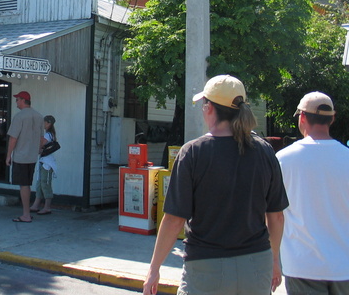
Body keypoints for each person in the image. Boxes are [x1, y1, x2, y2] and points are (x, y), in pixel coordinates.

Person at [143, 75, 288, 295]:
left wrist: (154, 269)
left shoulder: (192, 153)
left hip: (206, 268)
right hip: (256, 266)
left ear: (209, 108)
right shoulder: (265, 151)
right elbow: (276, 216)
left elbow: (173, 220)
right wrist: (274, 259)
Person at [276, 92, 349, 295]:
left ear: (302, 117)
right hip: (344, 265)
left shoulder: (283, 159)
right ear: (332, 119)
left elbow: (274, 213)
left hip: (302, 265)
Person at [6, 91, 43, 223]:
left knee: (23, 185)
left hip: (21, 156)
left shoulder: (19, 117)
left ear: (22, 100)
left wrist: (8, 156)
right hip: (32, 156)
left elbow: (13, 138)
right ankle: (27, 212)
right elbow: (41, 139)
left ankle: (26, 214)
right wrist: (38, 150)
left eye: (17, 100)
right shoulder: (39, 116)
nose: (16, 102)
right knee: (27, 184)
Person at [29, 115, 57, 215]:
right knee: (40, 183)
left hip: (47, 163)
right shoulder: (50, 135)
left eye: (44, 122)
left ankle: (47, 207)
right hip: (43, 161)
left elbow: (39, 146)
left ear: (48, 123)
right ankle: (36, 204)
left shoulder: (48, 135)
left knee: (45, 183)